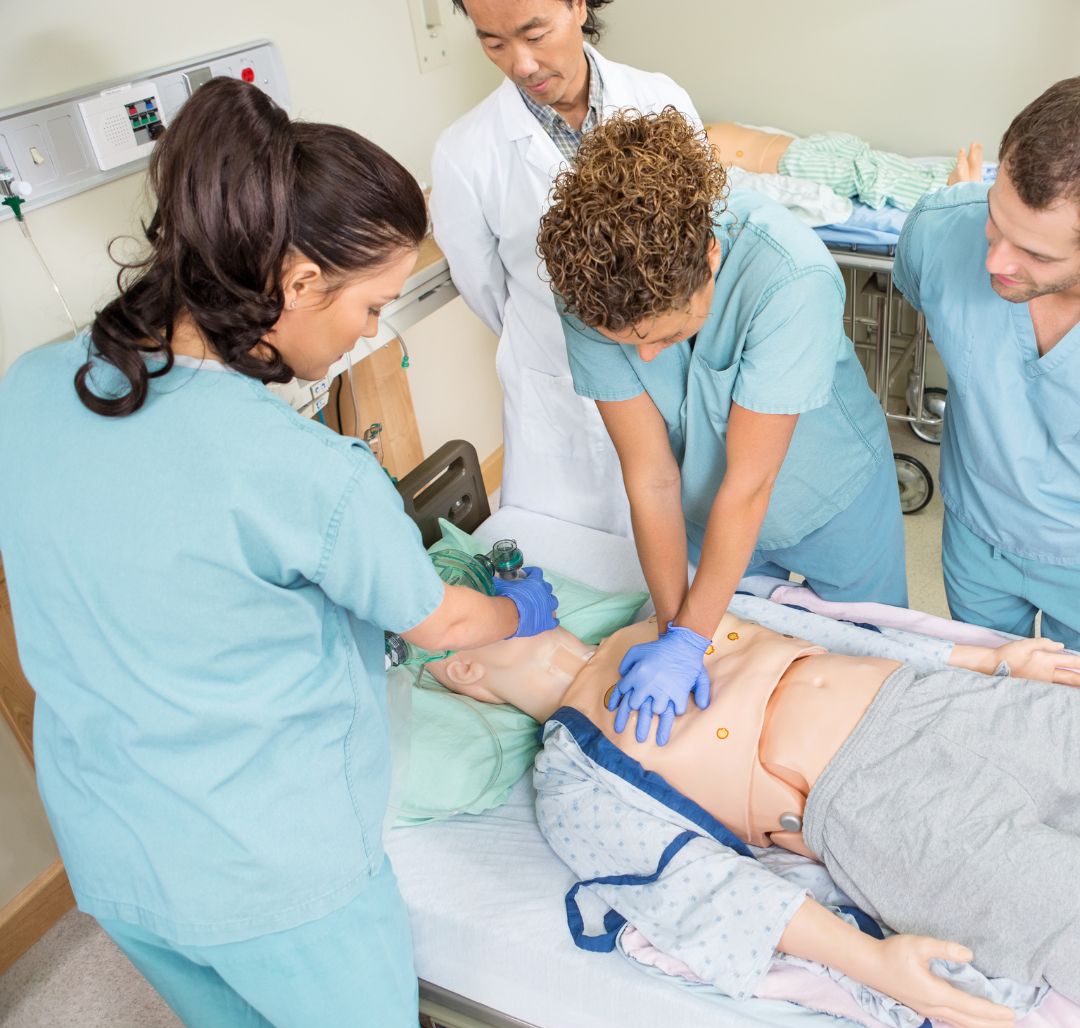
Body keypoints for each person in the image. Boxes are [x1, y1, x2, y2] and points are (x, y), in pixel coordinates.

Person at [0, 78, 560, 1028]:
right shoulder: (305, 473)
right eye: (374, 305)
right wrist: (516, 606)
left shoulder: (32, 388)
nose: (374, 334)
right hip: (272, 875)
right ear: (299, 282)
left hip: (111, 849)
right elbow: (436, 621)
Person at [425, 608, 1080, 1028]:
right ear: (462, 665)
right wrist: (873, 962)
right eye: (466, 594)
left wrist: (989, 661)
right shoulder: (571, 777)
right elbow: (700, 888)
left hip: (949, 703)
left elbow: (824, 635)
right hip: (892, 817)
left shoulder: (657, 605)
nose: (504, 581)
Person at [537, 107, 906, 746]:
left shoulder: (790, 277)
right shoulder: (588, 289)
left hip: (827, 492)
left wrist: (689, 638)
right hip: (704, 502)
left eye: (672, 335)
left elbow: (750, 486)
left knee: (873, 665)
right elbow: (650, 476)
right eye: (628, 345)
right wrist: (676, 631)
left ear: (710, 257)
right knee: (726, 648)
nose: (649, 359)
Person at [431, 0, 701, 536]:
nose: (521, 65)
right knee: (576, 568)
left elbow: (698, 240)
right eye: (494, 43)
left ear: (578, 6)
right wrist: (560, 341)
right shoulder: (464, 153)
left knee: (686, 551)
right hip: (559, 390)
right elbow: (484, 290)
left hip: (669, 373)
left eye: (535, 34)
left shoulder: (659, 99)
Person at [893, 77, 1080, 651]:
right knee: (985, 698)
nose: (995, 260)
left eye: (1036, 253)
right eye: (997, 219)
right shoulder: (940, 232)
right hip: (977, 539)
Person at [706, 121, 984, 211]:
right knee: (859, 174)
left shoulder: (684, 123)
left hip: (798, 146)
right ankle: (940, 189)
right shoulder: (685, 155)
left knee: (867, 157)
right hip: (790, 162)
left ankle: (941, 173)